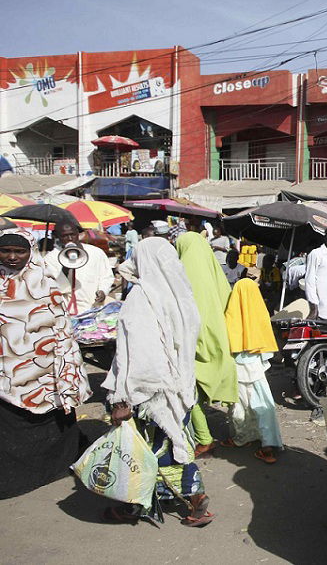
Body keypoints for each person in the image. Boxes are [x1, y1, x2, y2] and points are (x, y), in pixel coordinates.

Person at [101, 238, 213, 526]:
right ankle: (193, 495)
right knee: (174, 441)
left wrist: (123, 398)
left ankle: (137, 504)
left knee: (145, 450)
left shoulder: (141, 298)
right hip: (180, 388)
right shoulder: (180, 294)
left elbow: (138, 355)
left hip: (150, 393)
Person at [0, 228, 91, 499]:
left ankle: (55, 465)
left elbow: (62, 331)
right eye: (6, 251)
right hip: (5, 375)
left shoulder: (46, 284)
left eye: (19, 251)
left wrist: (66, 374)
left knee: (50, 423)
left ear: (30, 252)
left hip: (43, 373)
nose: (12, 257)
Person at [175, 232, 239, 457]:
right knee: (205, 384)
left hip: (192, 339)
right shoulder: (215, 272)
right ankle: (239, 432)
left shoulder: (180, 273)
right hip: (218, 336)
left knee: (188, 392)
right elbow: (227, 299)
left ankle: (204, 438)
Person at [222, 279, 283, 464]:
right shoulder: (259, 311)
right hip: (256, 365)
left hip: (239, 364)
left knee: (240, 404)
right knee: (263, 405)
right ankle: (268, 445)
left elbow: (228, 338)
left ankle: (242, 438)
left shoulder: (232, 313)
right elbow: (266, 343)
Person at [45, 221, 114, 314]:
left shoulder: (96, 253)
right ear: (57, 237)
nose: (70, 239)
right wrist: (64, 271)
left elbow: (107, 276)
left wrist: (103, 291)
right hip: (65, 311)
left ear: (78, 233)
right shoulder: (51, 258)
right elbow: (52, 286)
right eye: (64, 236)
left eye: (72, 234)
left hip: (93, 307)